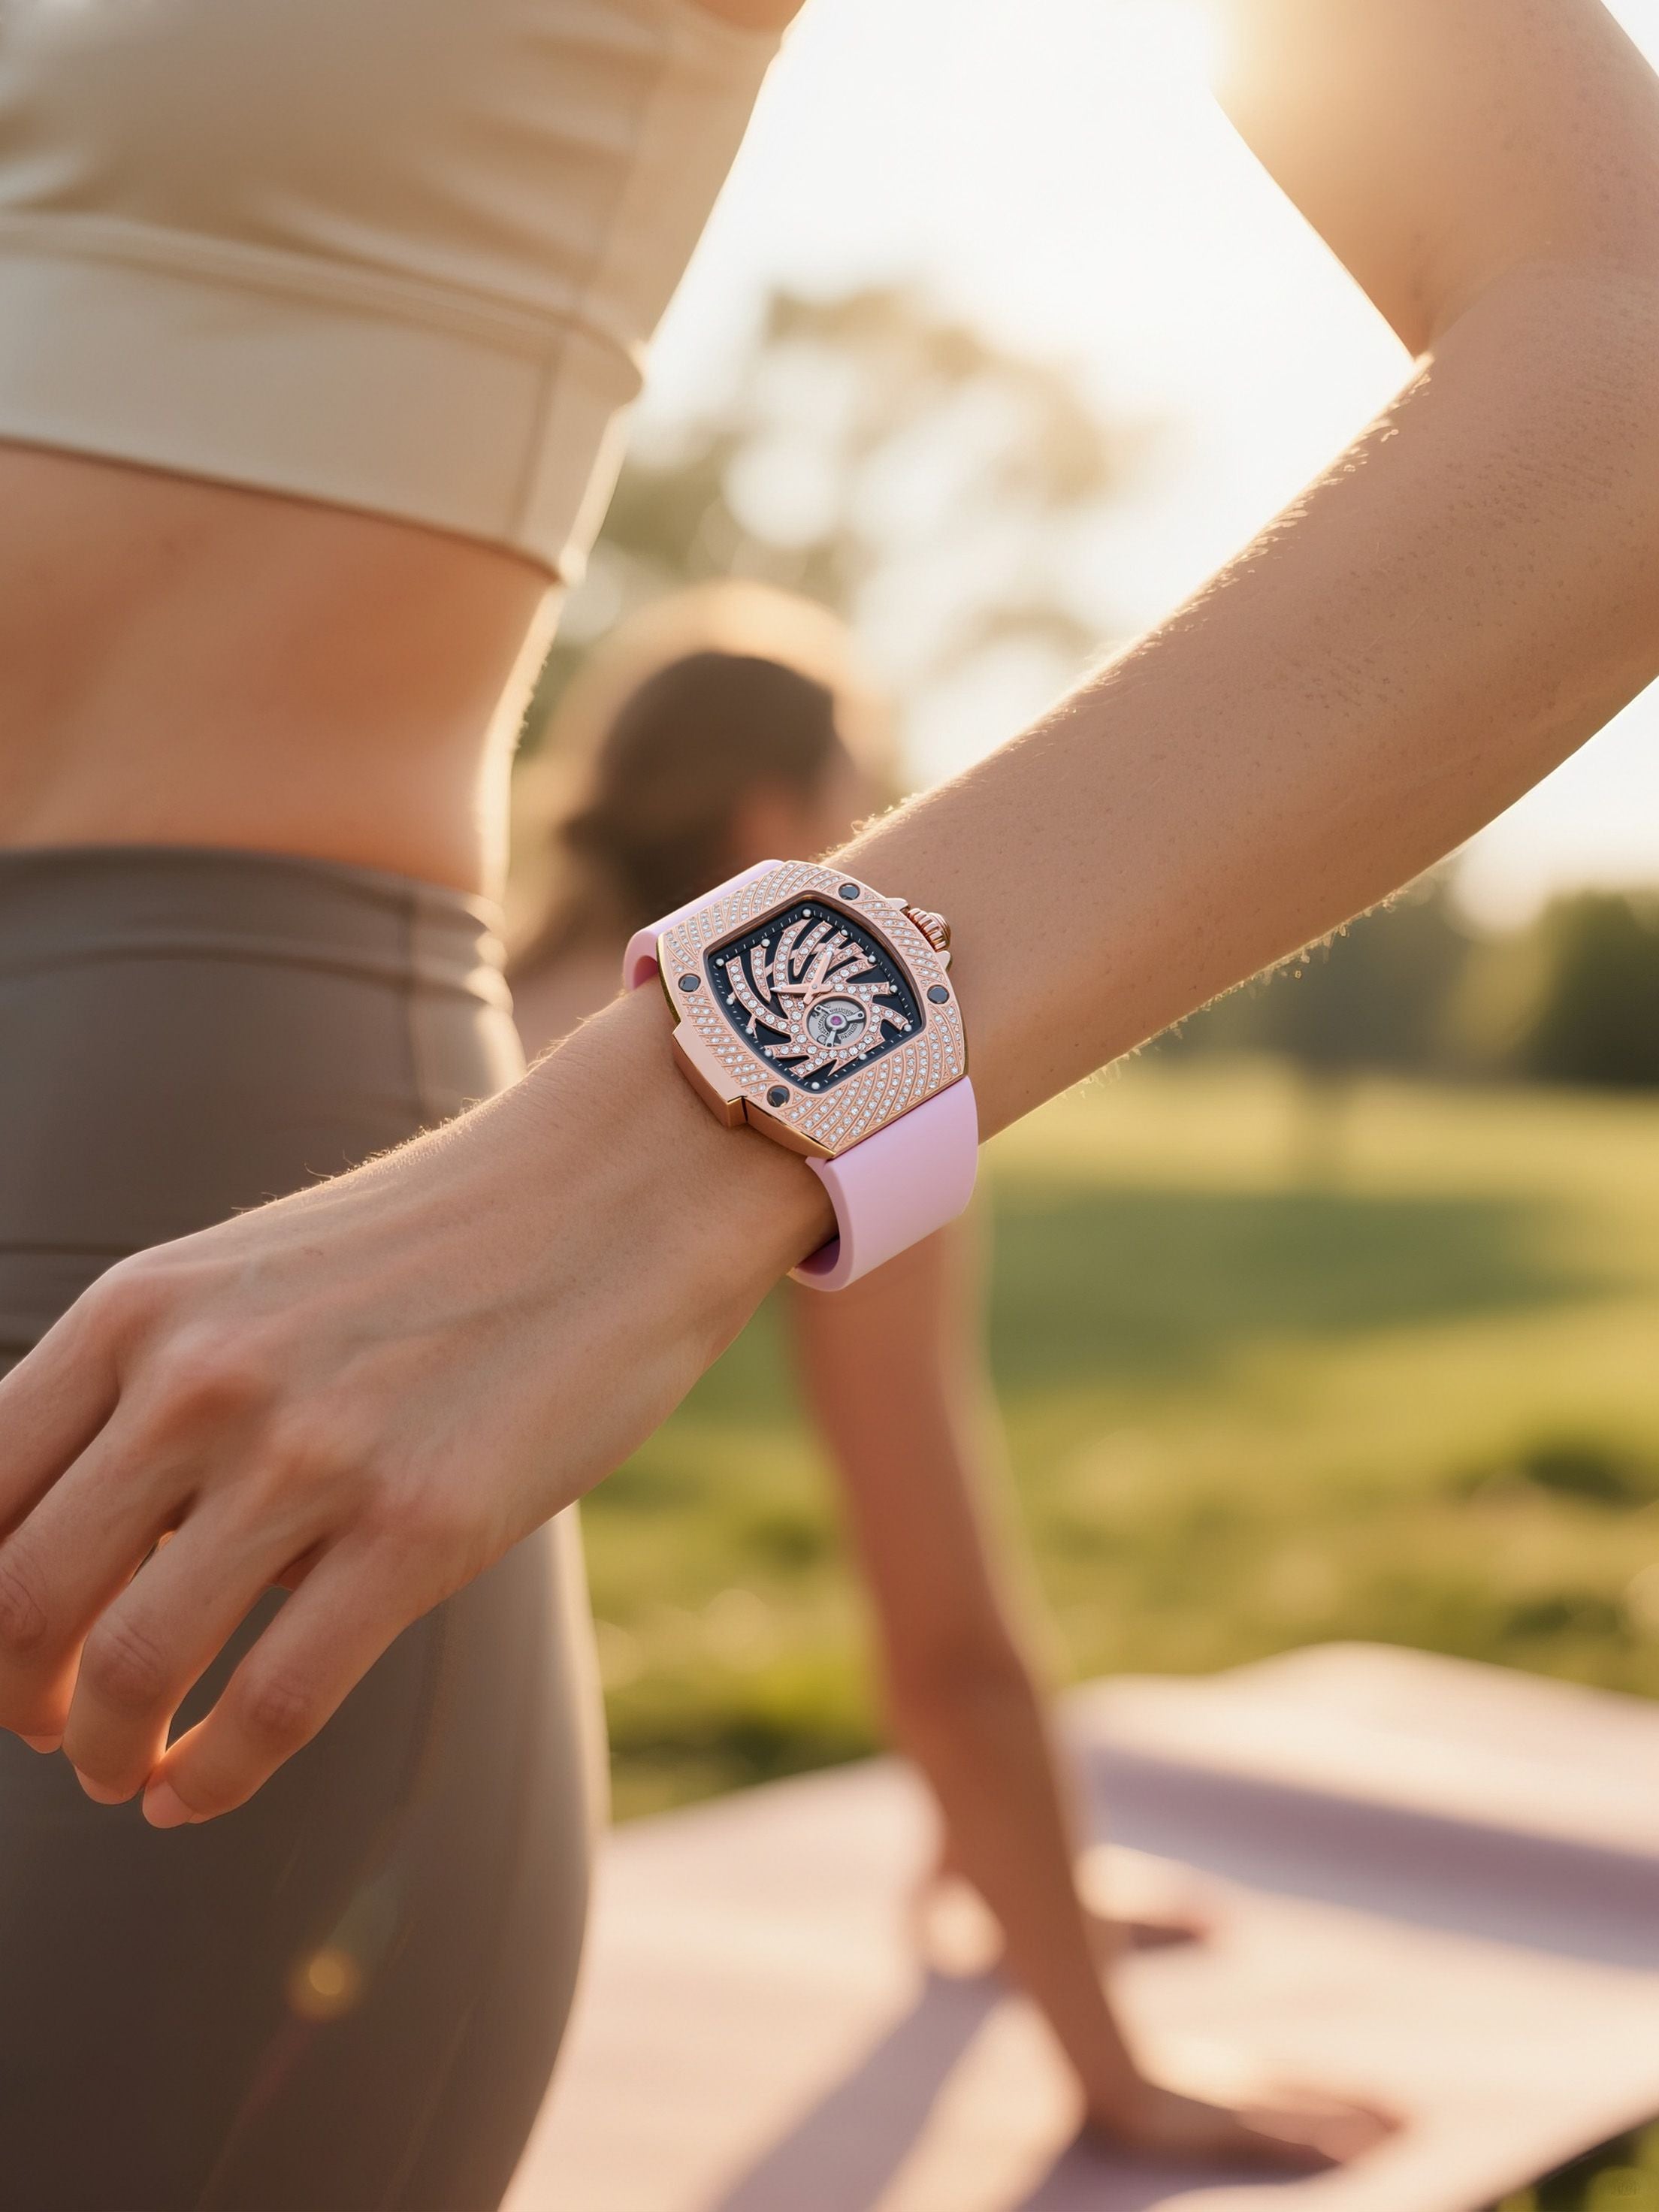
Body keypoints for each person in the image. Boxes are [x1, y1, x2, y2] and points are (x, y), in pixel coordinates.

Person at [1, 0, 1655, 2196]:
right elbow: (949, 1644)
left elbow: (1619, 348)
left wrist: (702, 1125)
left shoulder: (702, 1065)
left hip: (149, 1253)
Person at [509, 581, 1221, 2147]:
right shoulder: (834, 1073)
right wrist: (1124, 2082)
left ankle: (995, 1860)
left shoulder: (455, 1007)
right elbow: (948, 1637)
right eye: (866, 793)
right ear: (777, 816)